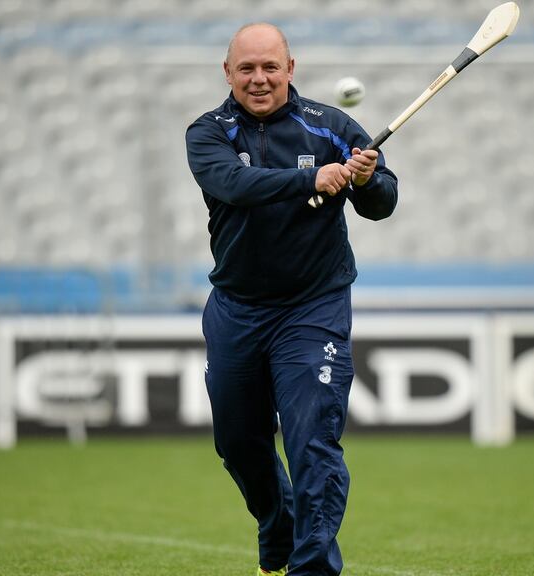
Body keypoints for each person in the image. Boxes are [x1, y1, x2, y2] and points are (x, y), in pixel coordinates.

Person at [185, 22, 398, 576]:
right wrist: (311, 181)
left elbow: (382, 202)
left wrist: (366, 180)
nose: (259, 79)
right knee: (239, 445)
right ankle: (277, 530)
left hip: (312, 308)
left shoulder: (332, 127)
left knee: (312, 446)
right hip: (237, 308)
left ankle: (312, 569)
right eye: (247, 68)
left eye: (270, 67)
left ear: (290, 69)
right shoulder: (207, 133)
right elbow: (233, 185)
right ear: (227, 73)